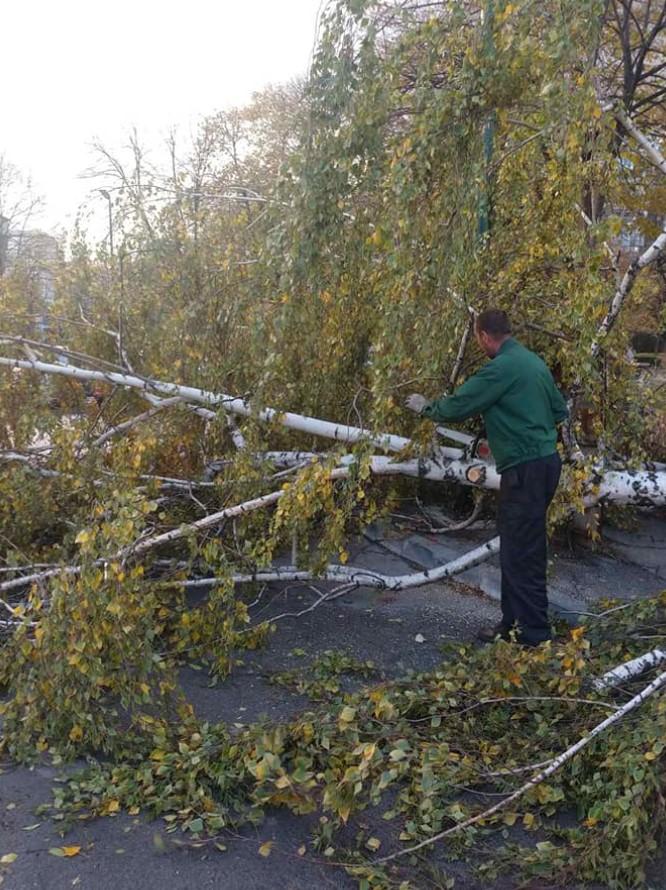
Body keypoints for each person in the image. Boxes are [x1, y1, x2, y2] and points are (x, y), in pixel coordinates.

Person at [405, 309, 568, 646]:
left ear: (483, 335)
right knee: (518, 546)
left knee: (521, 552)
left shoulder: (500, 369)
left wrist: (427, 408)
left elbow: (458, 405)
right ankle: (513, 625)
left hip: (525, 470)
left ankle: (533, 635)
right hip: (545, 464)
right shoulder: (533, 362)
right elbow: (558, 411)